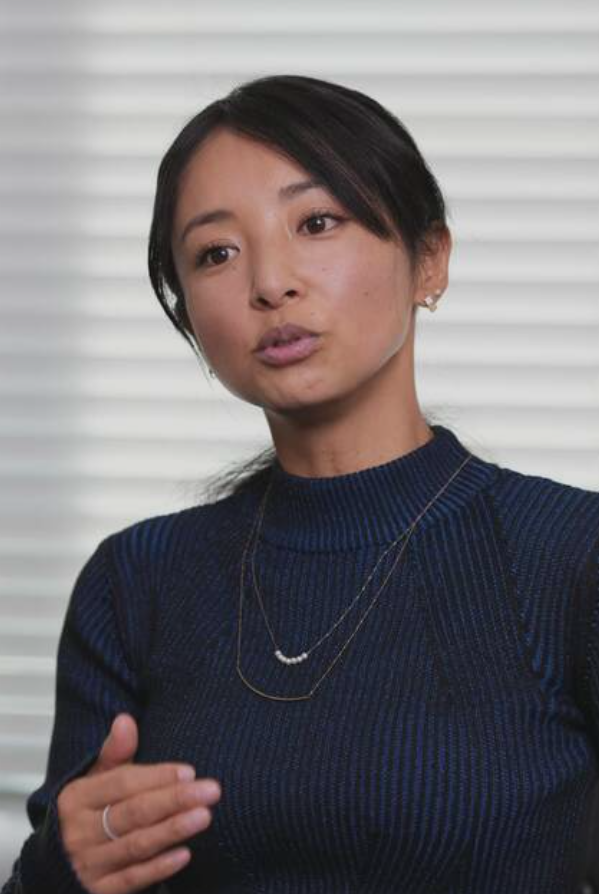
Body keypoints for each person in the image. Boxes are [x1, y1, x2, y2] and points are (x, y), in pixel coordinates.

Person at [3, 73, 599, 894]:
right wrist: (62, 867)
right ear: (188, 314)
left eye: (316, 222)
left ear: (428, 260)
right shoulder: (136, 581)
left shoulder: (570, 557)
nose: (269, 283)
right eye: (216, 253)